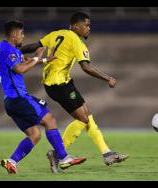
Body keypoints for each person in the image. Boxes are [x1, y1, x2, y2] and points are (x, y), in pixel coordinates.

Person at [20, 12, 129, 173]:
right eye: (86, 25)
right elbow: (86, 67)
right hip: (59, 85)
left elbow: (34, 46)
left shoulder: (57, 33)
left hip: (59, 83)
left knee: (87, 114)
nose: (89, 28)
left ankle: (107, 153)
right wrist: (108, 78)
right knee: (83, 119)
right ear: (76, 26)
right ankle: (57, 154)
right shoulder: (76, 42)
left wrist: (13, 50)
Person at [0, 20, 86, 174]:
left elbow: (25, 61)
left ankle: (12, 161)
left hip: (10, 102)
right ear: (14, 34)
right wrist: (37, 58)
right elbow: (20, 68)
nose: (23, 37)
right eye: (22, 34)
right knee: (49, 119)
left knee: (35, 135)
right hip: (19, 98)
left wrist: (43, 59)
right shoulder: (7, 50)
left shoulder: (8, 48)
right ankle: (63, 158)